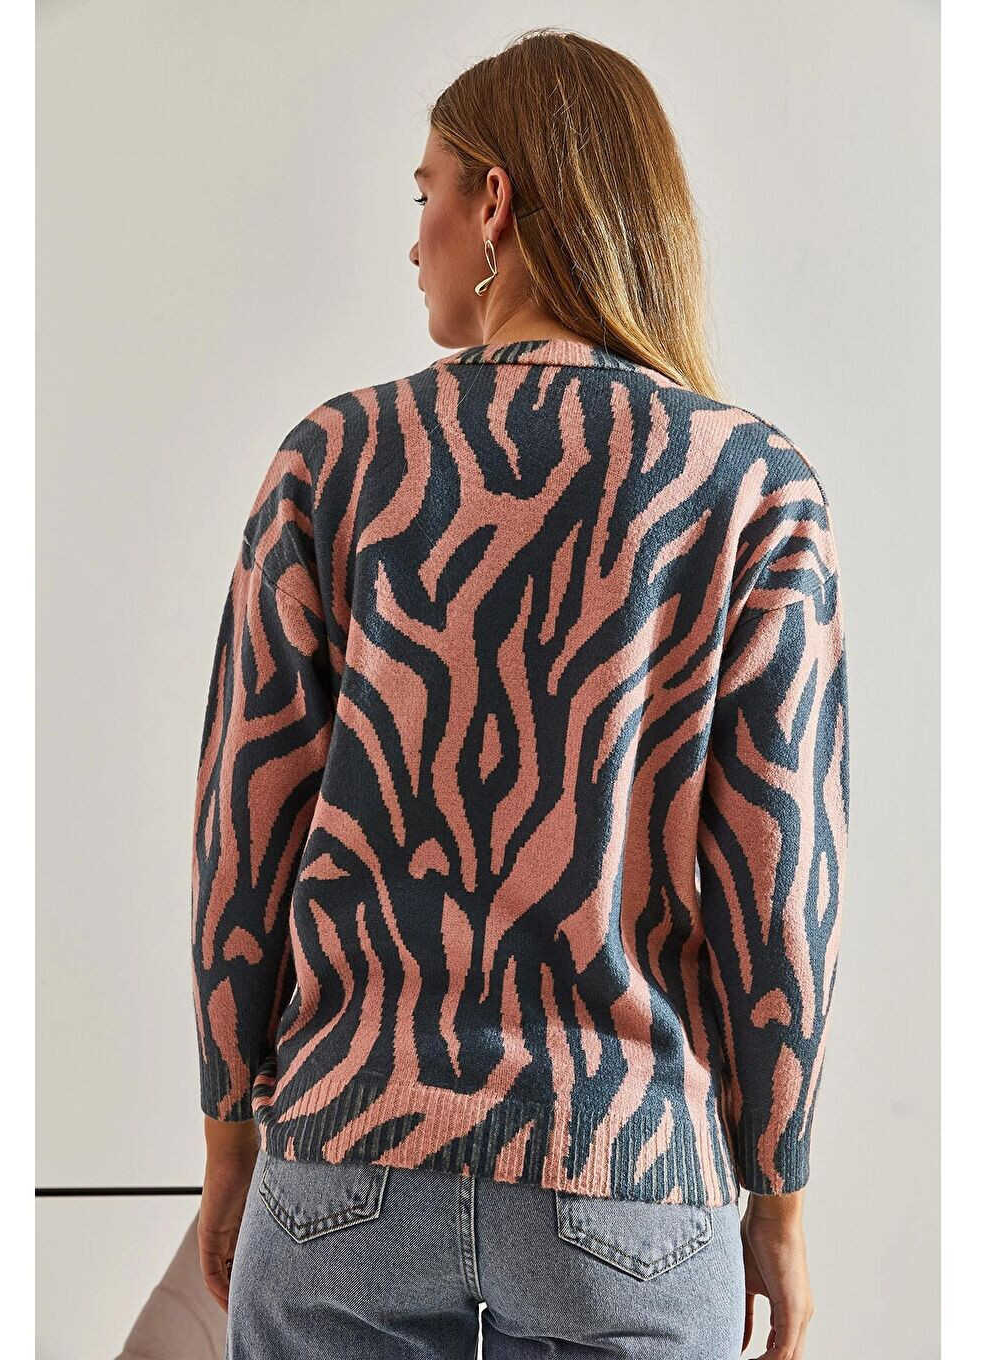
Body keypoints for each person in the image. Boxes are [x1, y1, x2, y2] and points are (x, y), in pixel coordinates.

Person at [190, 27, 849, 1360]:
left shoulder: (335, 458)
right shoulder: (751, 487)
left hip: (344, 1163)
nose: (414, 239)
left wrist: (231, 1138)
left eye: (425, 191)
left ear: (494, 202)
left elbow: (243, 831)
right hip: (629, 1173)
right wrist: (777, 1193)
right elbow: (780, 880)